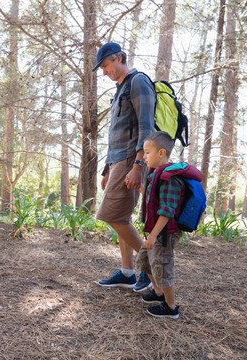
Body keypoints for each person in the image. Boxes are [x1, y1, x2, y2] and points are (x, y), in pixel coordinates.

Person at [92, 42, 156, 292]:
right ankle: (128, 272)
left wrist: (139, 165)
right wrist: (108, 168)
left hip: (132, 159)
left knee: (111, 214)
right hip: (119, 161)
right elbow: (116, 134)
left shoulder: (137, 81)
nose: (105, 71)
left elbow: (146, 126)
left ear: (119, 58)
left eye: (106, 65)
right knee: (121, 216)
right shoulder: (120, 89)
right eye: (102, 68)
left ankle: (149, 265)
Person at [135, 131, 201, 319]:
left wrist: (154, 235)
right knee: (144, 261)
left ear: (161, 152)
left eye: (147, 152)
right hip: (155, 232)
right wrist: (138, 188)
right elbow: (152, 199)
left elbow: (167, 210)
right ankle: (158, 294)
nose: (144, 157)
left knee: (162, 266)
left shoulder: (169, 178)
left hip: (164, 233)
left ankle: (171, 308)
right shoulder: (157, 174)